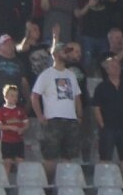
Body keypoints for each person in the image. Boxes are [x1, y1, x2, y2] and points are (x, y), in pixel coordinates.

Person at [30, 43, 83, 181]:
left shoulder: (71, 75)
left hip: (71, 120)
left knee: (69, 156)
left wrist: (79, 115)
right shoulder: (46, 74)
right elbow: (34, 96)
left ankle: (65, 185)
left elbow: (77, 96)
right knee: (50, 156)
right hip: (53, 120)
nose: (67, 54)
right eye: (64, 51)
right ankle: (48, 184)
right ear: (56, 54)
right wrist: (40, 117)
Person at [92, 52, 123, 182]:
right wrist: (102, 125)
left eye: (117, 65)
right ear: (106, 70)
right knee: (105, 157)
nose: (116, 68)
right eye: (112, 66)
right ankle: (104, 183)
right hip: (108, 127)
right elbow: (96, 108)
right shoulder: (101, 88)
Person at [0, 84, 28, 175]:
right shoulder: (1, 111)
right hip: (7, 141)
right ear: (6, 96)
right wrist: (10, 127)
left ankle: (22, 184)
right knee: (7, 164)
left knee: (21, 164)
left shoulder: (20, 110)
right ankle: (6, 185)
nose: (14, 98)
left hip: (18, 141)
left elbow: (26, 123)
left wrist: (23, 129)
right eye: (12, 95)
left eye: (16, 96)